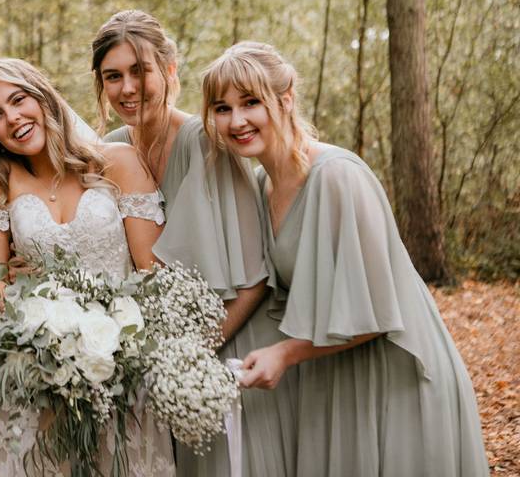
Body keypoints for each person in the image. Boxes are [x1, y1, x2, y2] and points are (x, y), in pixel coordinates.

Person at [201, 41, 488, 477]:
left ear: (286, 98)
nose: (236, 121)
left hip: (394, 376)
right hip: (332, 375)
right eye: (222, 108)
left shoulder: (337, 176)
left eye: (251, 103)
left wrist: (285, 354)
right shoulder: (261, 184)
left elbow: (376, 313)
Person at [92, 10, 297, 476]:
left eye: (140, 71)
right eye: (113, 76)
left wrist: (188, 359)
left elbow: (257, 277)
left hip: (232, 346)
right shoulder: (110, 148)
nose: (128, 88)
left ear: (169, 70)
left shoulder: (205, 141)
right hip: (157, 365)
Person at [0, 57, 175, 477]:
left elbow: (152, 273)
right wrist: (23, 309)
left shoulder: (117, 161)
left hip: (124, 370)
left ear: (43, 97)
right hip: (39, 375)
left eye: (18, 100)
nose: (12, 119)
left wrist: (125, 347)